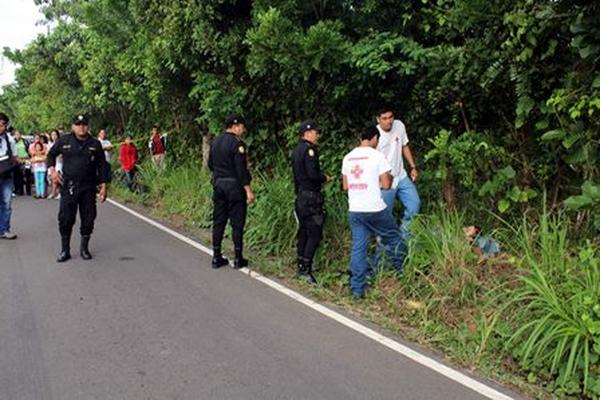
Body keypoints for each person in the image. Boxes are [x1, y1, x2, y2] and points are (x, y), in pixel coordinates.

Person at [342, 126, 404, 299]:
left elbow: (345, 186)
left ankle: (357, 290)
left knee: (359, 248)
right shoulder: (377, 156)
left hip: (355, 209)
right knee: (394, 237)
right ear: (374, 138)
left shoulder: (348, 158)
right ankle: (402, 272)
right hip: (375, 209)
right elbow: (386, 185)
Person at [47, 114, 110, 262]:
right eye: (78, 124)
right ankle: (65, 250)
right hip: (69, 186)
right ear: (73, 126)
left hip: (88, 187)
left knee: (88, 218)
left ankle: (84, 249)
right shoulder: (64, 141)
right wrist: (53, 171)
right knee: (65, 218)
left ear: (88, 126)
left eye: (84, 124)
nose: (81, 127)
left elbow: (102, 166)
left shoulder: (95, 143)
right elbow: (51, 155)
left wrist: (104, 186)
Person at [208, 114, 255, 269]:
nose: (243, 130)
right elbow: (241, 170)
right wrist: (248, 189)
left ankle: (216, 256)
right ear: (235, 126)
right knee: (237, 223)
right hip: (234, 186)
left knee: (219, 221)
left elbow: (210, 164)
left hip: (219, 184)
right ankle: (238, 258)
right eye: (242, 127)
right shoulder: (237, 144)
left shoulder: (215, 141)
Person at [291, 120, 331, 284]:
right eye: (316, 132)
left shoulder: (296, 150)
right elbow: (313, 174)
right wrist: (325, 178)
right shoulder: (309, 151)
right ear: (307, 134)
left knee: (304, 232)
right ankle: (305, 270)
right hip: (311, 197)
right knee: (314, 233)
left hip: (301, 196)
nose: (318, 135)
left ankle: (301, 265)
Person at [375, 106, 421, 239]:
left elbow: (404, 146)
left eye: (391, 117)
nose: (389, 121)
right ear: (378, 119)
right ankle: (384, 245)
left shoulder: (399, 125)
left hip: (401, 176)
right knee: (384, 215)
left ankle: (405, 236)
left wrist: (413, 166)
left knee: (414, 203)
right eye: (384, 118)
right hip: (384, 182)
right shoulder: (374, 135)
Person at [0, 112, 18, 239]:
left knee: (6, 203)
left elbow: (15, 157)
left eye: (2, 125)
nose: (1, 127)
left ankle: (5, 229)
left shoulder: (9, 139)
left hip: (6, 175)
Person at [12, 130, 33, 196]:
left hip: (25, 159)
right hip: (16, 160)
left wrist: (30, 158)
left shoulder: (25, 141)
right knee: (18, 176)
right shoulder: (13, 142)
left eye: (18, 134)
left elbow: (29, 150)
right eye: (16, 134)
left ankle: (28, 191)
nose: (17, 136)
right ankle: (19, 190)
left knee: (27, 175)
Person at [47, 129, 63, 199]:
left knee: (58, 177)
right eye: (52, 135)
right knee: (52, 178)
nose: (54, 136)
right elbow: (48, 154)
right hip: (52, 163)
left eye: (55, 135)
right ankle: (53, 192)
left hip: (59, 161)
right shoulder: (49, 144)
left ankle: (59, 192)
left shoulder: (61, 143)